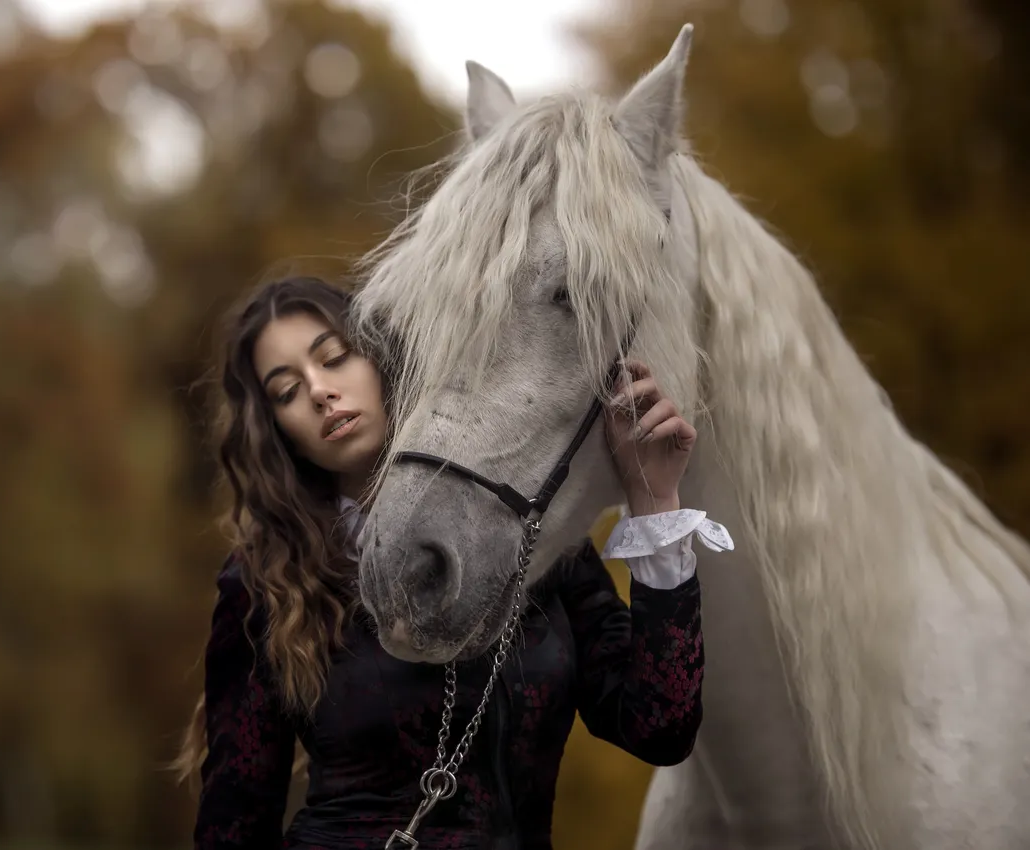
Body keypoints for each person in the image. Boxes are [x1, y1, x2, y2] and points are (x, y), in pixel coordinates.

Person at [173, 276, 732, 850]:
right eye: (287, 391)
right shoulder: (267, 583)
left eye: (335, 358)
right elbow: (232, 829)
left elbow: (661, 727)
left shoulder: (535, 540)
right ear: (279, 433)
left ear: (382, 360)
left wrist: (654, 499)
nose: (320, 391)